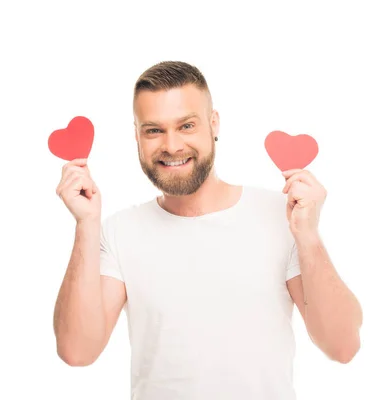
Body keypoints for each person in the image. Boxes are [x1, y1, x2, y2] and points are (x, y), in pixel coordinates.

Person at [53, 61, 363, 399]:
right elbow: (78, 351)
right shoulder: (119, 231)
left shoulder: (281, 216)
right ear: (137, 136)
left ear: (213, 123)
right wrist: (86, 224)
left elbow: (343, 346)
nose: (171, 145)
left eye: (186, 125)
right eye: (153, 130)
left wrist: (309, 237)